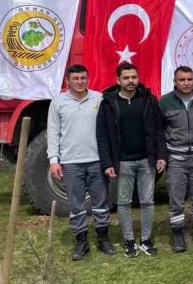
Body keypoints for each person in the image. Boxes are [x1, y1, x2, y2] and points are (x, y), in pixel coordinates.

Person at [96, 62, 167, 258]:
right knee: (124, 202)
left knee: (147, 201)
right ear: (118, 80)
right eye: (126, 78)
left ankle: (145, 240)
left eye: (133, 77)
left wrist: (161, 156)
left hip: (147, 161)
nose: (130, 81)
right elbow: (102, 136)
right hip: (122, 163)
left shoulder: (148, 100)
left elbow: (159, 130)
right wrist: (107, 163)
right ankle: (129, 241)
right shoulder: (108, 103)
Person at [47, 64, 114, 260]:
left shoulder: (98, 99)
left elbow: (108, 130)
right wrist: (54, 160)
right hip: (71, 162)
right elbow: (53, 132)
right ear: (68, 80)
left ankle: (103, 239)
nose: (79, 82)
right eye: (75, 78)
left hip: (96, 160)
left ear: (88, 78)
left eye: (83, 78)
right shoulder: (58, 103)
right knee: (76, 204)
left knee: (101, 202)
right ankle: (81, 242)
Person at [159, 66, 193, 252]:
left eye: (190, 79)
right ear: (175, 81)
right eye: (182, 80)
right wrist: (163, 157)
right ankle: (178, 234)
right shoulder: (165, 102)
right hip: (176, 158)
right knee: (176, 198)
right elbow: (159, 131)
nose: (186, 83)